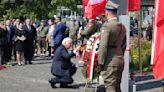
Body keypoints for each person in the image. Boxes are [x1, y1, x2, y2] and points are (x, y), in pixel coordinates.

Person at [98, 1, 126, 92]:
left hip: (110, 61)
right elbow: (123, 45)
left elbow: (103, 46)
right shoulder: (122, 26)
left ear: (106, 12)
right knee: (117, 87)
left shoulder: (107, 26)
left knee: (110, 87)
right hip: (120, 58)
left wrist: (100, 62)